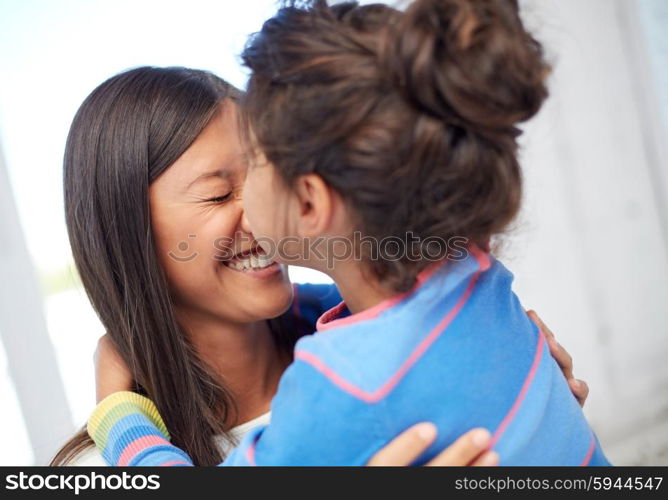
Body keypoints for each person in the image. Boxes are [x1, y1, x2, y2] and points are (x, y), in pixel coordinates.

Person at [82, 0, 606, 466]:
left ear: (310, 199)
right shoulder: (470, 268)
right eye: (219, 194)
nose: (249, 210)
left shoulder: (334, 388)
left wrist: (118, 415)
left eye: (258, 165)